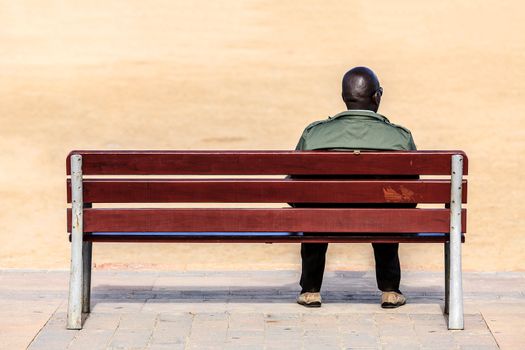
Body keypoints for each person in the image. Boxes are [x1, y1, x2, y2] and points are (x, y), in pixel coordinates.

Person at [294, 66, 417, 308]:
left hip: (322, 218)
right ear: (377, 96)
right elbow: (411, 192)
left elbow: (295, 186)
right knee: (388, 210)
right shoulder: (399, 138)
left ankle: (310, 290)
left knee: (313, 210)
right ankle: (390, 290)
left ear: (344, 98)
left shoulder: (315, 134)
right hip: (382, 220)